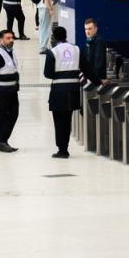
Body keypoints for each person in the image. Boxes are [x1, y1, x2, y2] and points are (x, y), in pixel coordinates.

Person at [43, 26, 90, 159]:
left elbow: (47, 74)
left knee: (59, 121)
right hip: (73, 91)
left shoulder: (52, 52)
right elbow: (87, 69)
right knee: (67, 120)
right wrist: (99, 82)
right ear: (65, 36)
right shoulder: (76, 49)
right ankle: (66, 147)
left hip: (58, 92)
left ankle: (62, 149)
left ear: (54, 37)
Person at [82, 18, 108, 83]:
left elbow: (98, 63)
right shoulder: (88, 41)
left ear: (96, 29)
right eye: (86, 29)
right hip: (90, 77)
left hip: (96, 79)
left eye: (90, 29)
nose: (87, 31)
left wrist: (95, 79)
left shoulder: (99, 41)